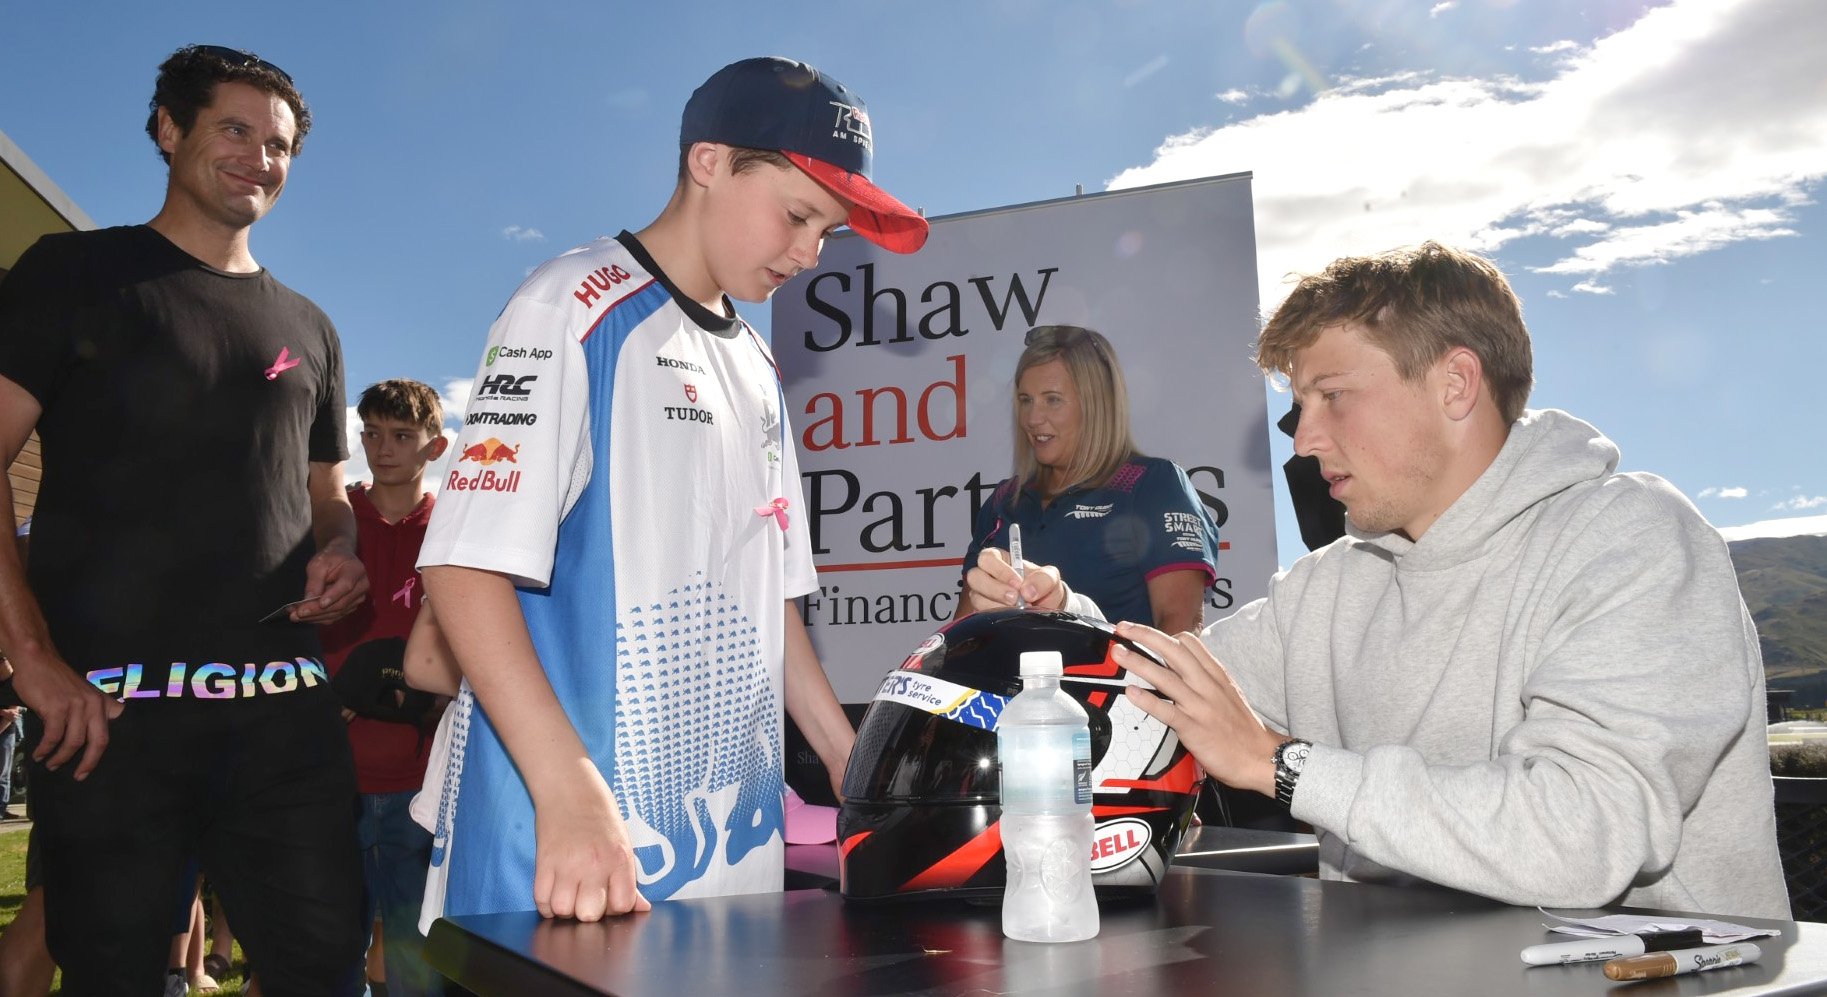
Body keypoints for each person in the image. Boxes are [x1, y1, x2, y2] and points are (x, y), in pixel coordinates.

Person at [963, 242, 1790, 919]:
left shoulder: (1631, 541)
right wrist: (1056, 612)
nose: (1303, 439)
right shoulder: (1328, 587)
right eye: (1298, 407)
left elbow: (1581, 835)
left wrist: (1284, 766)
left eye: (1330, 396)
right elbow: (1167, 691)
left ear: (1454, 384)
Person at [409, 55, 926, 925]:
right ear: (709, 160)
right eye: (798, 215)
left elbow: (770, 596)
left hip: (729, 837)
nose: (808, 254)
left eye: (827, 232)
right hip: (564, 834)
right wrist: (570, 794)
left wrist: (848, 757)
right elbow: (462, 568)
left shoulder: (759, 365)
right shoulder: (566, 304)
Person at [0, 45, 369, 994]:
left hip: (286, 719)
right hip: (115, 719)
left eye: (279, 144)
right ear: (169, 131)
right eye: (234, 131)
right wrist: (34, 661)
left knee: (323, 972)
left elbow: (327, 490)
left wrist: (341, 548)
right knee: (114, 975)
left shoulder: (310, 326)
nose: (261, 158)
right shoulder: (75, 273)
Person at [953, 325, 1219, 634]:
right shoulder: (1003, 501)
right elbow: (962, 636)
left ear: (1096, 405)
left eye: (1052, 400)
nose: (1032, 418)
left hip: (1122, 682)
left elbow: (1180, 635)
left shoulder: (1153, 484)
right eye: (1025, 400)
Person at [319, 378, 449, 997]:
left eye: (401, 435)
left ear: (436, 446)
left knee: (415, 956)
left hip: (422, 783)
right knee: (321, 952)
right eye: (370, 433)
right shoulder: (330, 520)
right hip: (328, 773)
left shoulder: (457, 533)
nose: (382, 447)